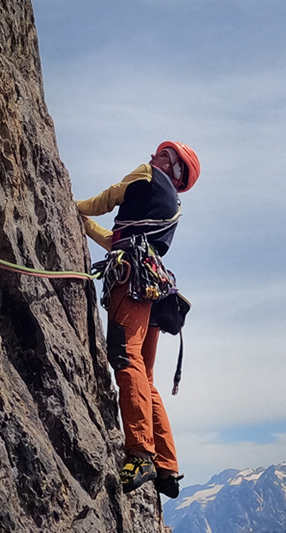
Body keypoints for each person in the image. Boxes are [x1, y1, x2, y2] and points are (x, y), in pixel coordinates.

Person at [77, 141, 200, 497]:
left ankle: (141, 452)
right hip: (155, 287)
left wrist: (71, 207)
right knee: (145, 375)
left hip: (132, 283)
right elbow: (123, 240)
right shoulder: (171, 205)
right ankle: (167, 466)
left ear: (173, 169)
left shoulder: (147, 175)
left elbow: (108, 199)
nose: (153, 157)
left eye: (163, 155)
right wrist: (85, 227)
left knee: (126, 357)